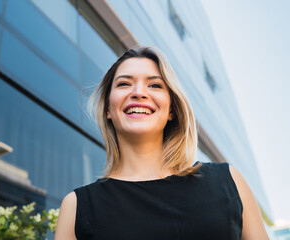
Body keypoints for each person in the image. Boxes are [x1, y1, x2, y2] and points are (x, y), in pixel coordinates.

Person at [54, 46, 269, 240]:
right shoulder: (76, 207)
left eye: (155, 85)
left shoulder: (228, 181)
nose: (138, 93)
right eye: (124, 84)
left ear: (172, 110)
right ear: (108, 109)